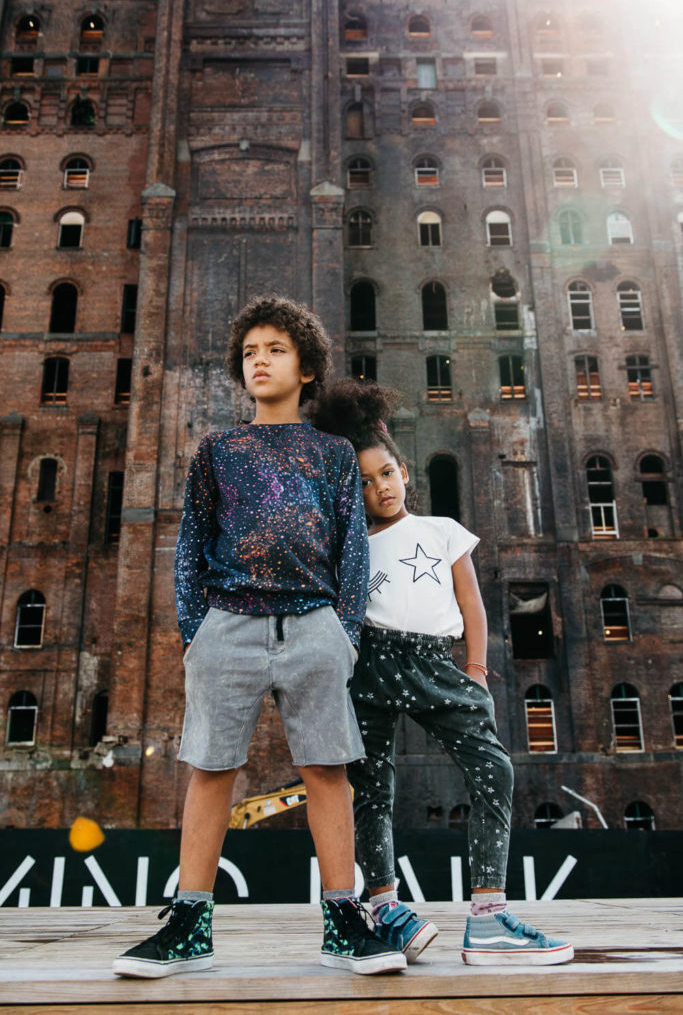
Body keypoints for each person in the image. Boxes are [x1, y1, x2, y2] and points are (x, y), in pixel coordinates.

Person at [113, 298, 406, 978]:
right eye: (249, 352)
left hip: (313, 626)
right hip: (228, 626)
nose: (259, 361)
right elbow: (190, 543)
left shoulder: (334, 454)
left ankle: (343, 923)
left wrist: (344, 632)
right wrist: (196, 632)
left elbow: (351, 548)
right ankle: (188, 927)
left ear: (305, 367)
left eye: (274, 349)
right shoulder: (217, 449)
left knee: (327, 773)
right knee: (210, 771)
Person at [312, 378, 574, 967]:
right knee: (372, 790)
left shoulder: (444, 531)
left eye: (385, 473)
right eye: (362, 481)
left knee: (494, 769)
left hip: (437, 662)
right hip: (372, 663)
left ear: (405, 471)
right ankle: (384, 909)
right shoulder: (348, 544)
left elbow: (474, 606)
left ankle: (487, 917)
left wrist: (476, 670)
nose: (378, 487)